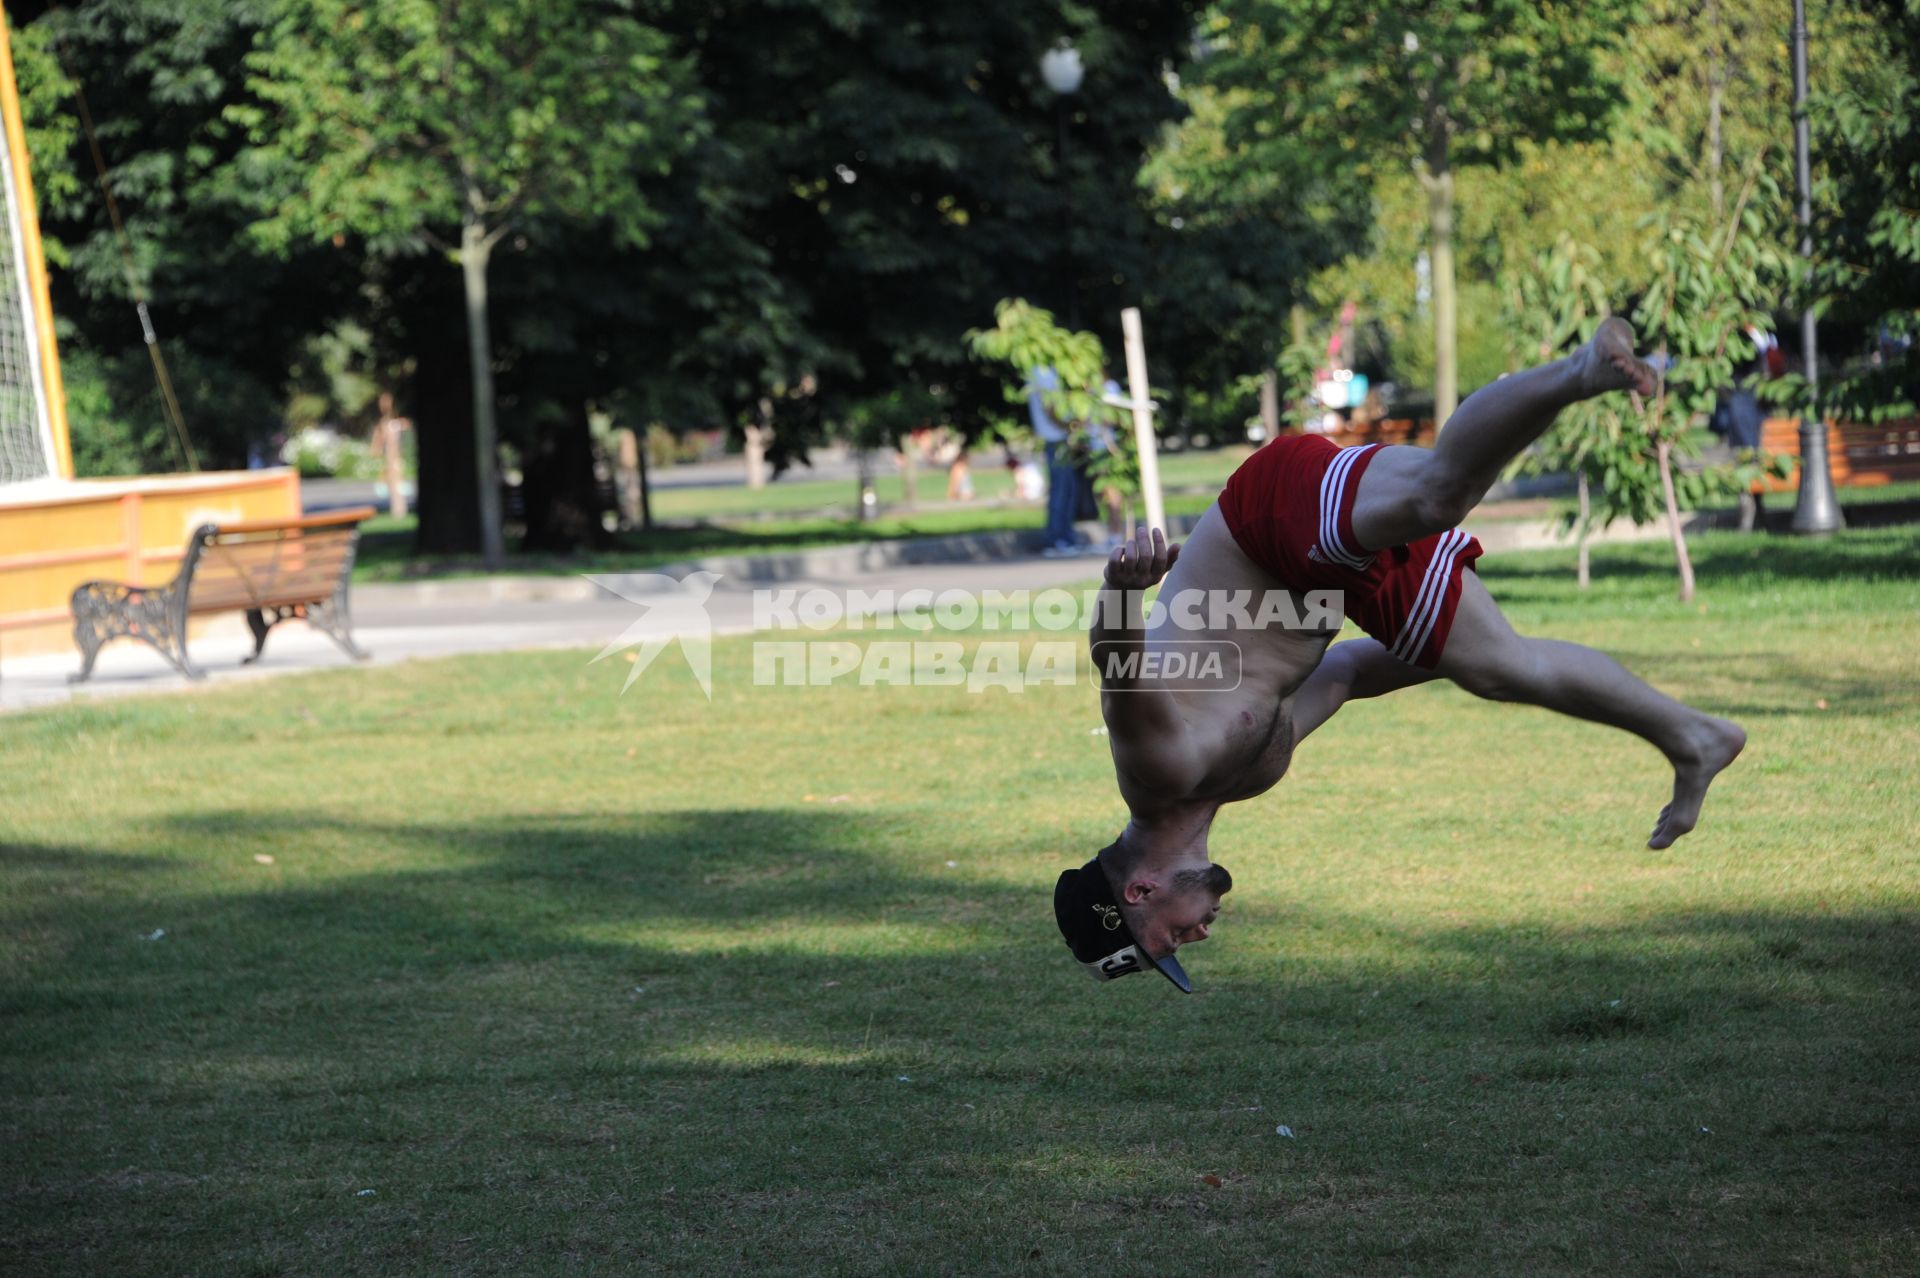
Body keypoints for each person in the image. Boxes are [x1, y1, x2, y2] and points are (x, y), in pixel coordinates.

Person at [1056, 318, 1747, 992]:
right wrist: (1457, 648)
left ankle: (1583, 372)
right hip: (1325, 586)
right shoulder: (1242, 779)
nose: (1200, 936)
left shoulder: (1159, 772)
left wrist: (1120, 588)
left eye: (1172, 938)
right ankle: (1696, 738)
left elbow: (1118, 670)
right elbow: (1351, 672)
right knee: (1502, 667)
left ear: (1140, 890)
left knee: (1436, 494)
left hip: (1264, 529)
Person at [1028, 366, 1083, 556]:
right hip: (1055, 439)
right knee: (1061, 490)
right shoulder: (1041, 372)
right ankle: (1057, 539)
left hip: (1058, 438)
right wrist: (1067, 426)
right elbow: (1049, 407)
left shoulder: (1046, 371)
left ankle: (1065, 537)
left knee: (1068, 489)